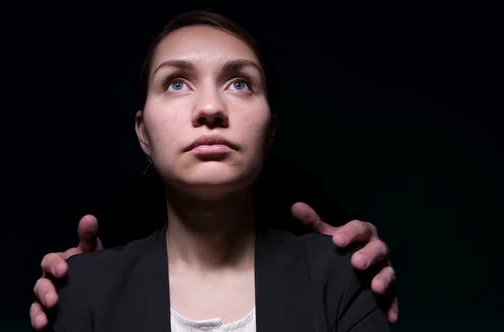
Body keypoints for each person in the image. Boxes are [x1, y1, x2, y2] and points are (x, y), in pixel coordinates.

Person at [31, 9, 396, 331]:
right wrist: (86, 288)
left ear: (270, 130)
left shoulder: (340, 279)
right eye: (176, 83)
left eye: (239, 83)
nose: (210, 107)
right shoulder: (83, 290)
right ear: (143, 132)